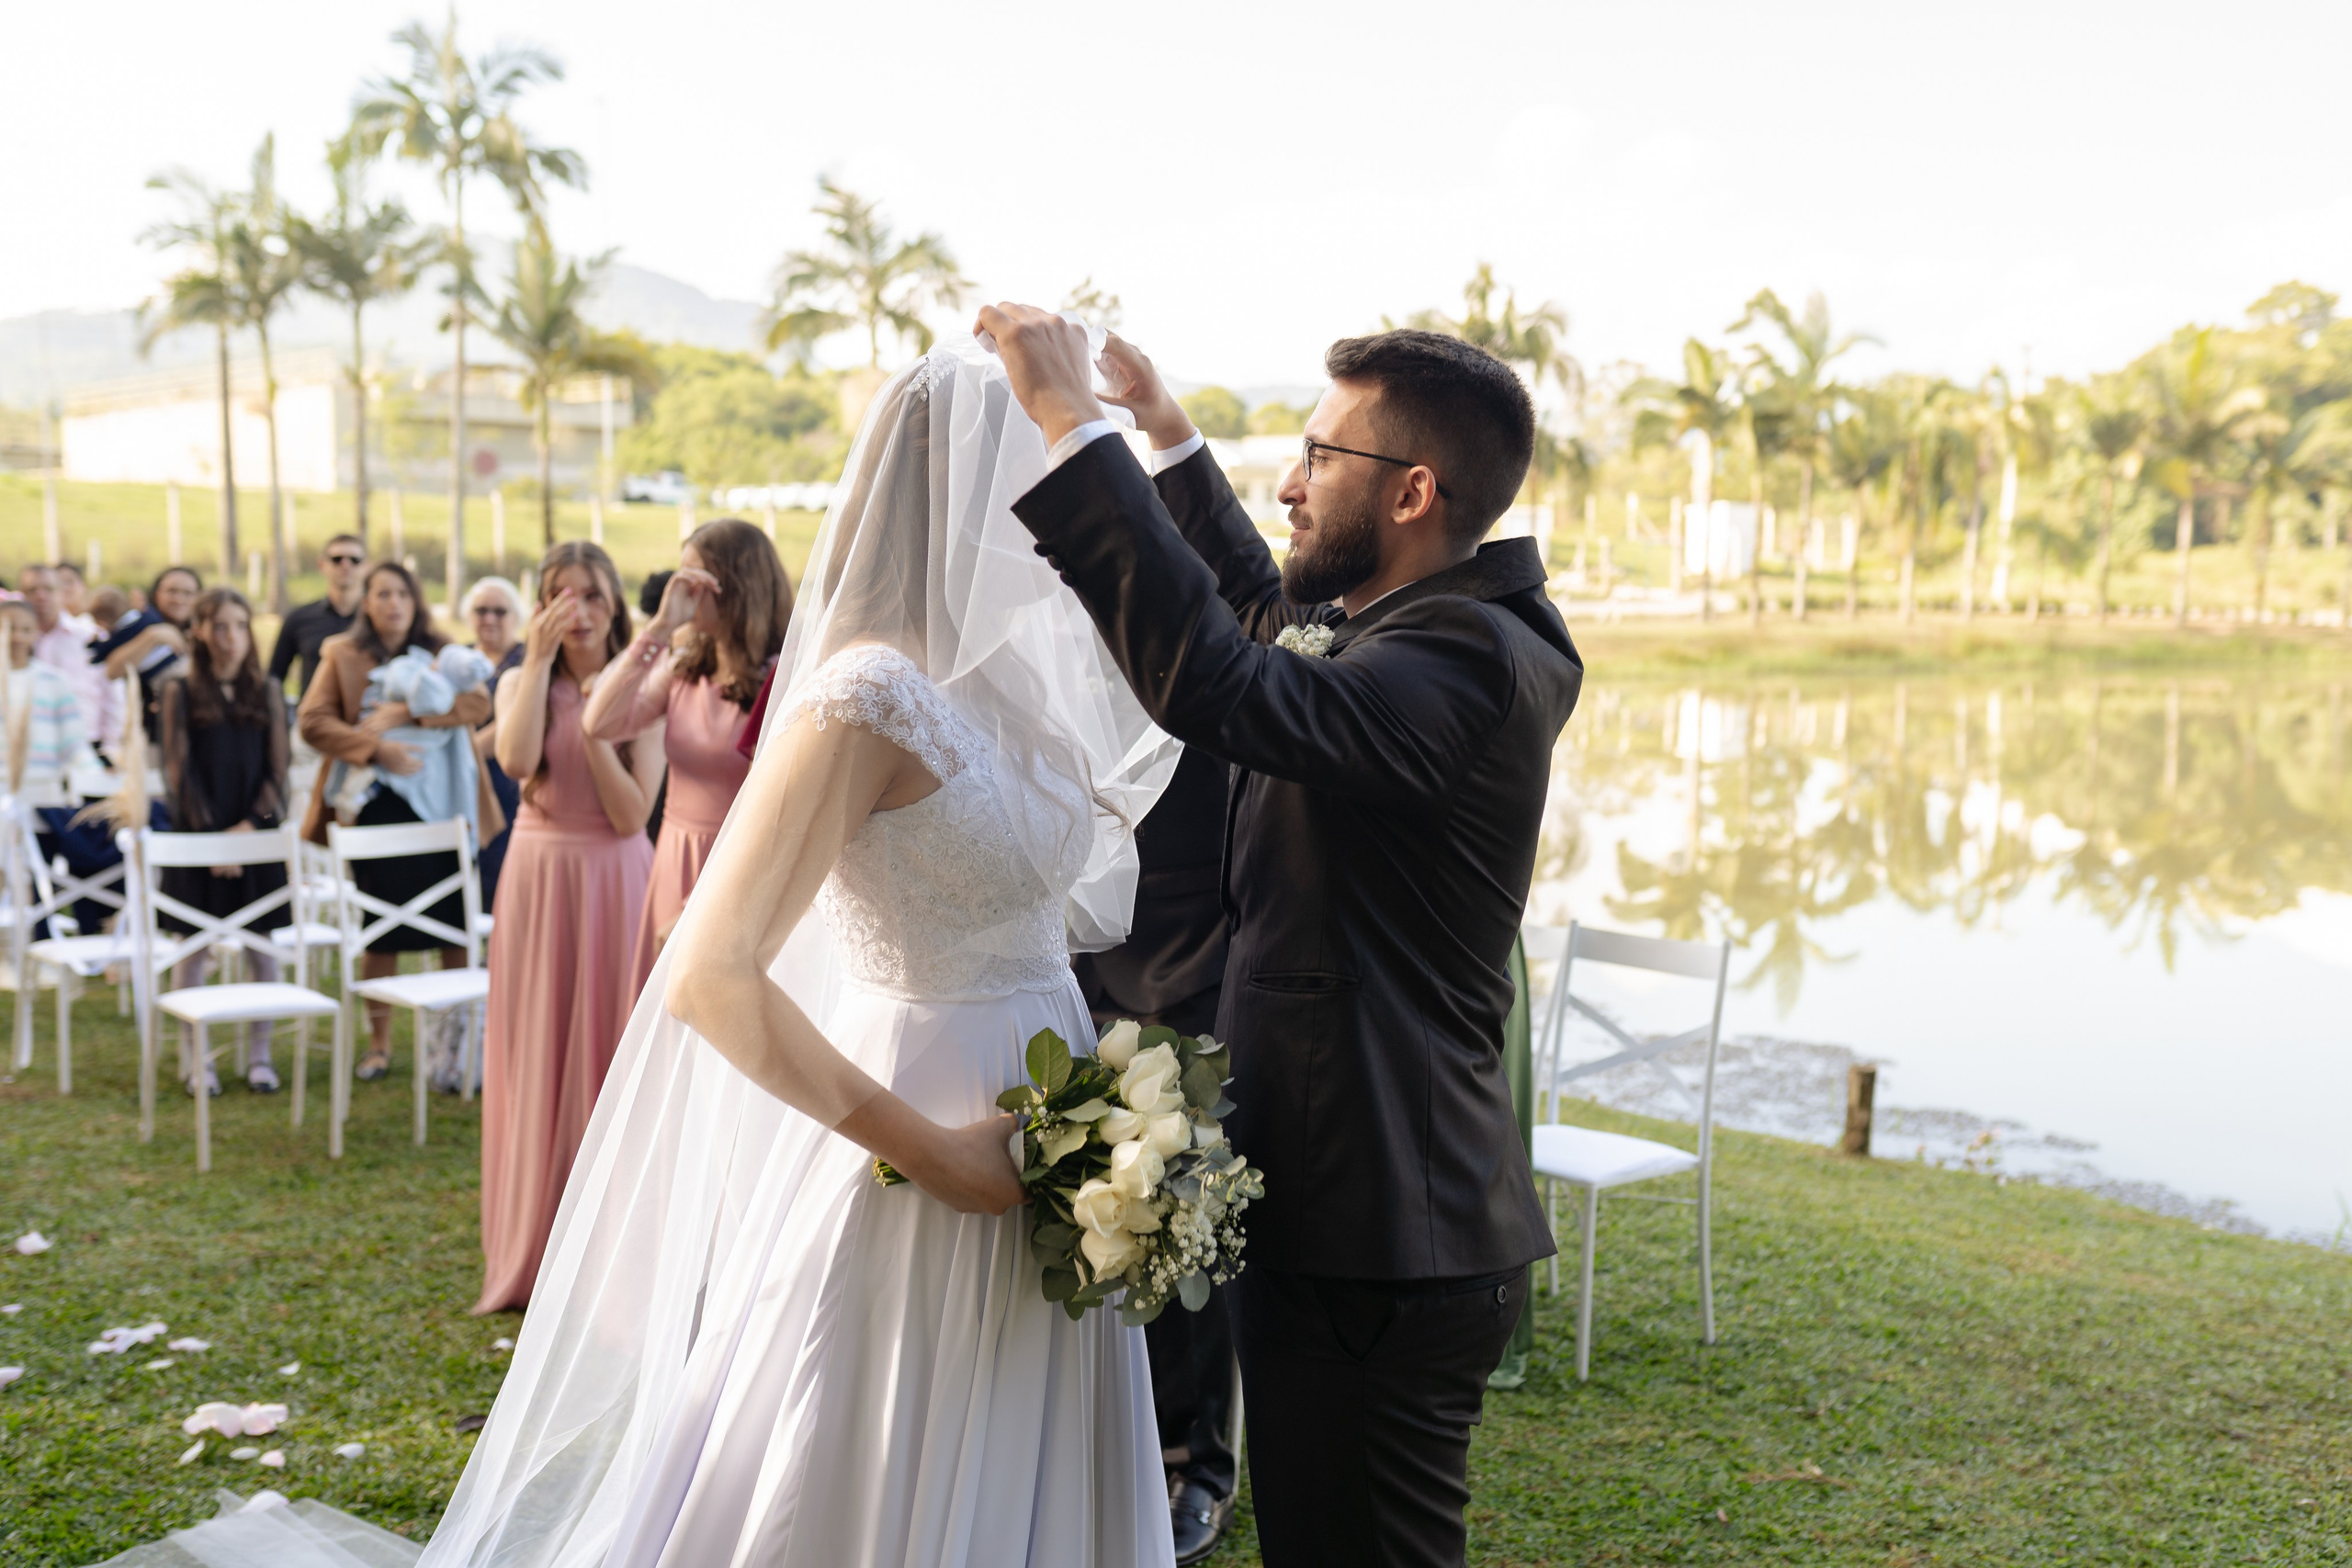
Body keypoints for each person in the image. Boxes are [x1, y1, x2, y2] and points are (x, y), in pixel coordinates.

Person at [418, 342, 1178, 1567]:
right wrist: (939, 1156)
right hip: (915, 1128)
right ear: (963, 494)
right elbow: (712, 975)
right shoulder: (863, 694)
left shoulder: (1025, 692)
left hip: (1055, 1112)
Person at [981, 307, 1582, 1568]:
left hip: (1386, 1234)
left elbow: (1225, 678)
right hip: (1348, 1213)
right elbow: (1266, 621)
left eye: (1320, 458)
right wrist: (1164, 438)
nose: (1290, 482)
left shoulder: (1465, 655)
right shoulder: (1404, 628)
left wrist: (1069, 426)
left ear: (1414, 490)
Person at [474, 541, 663, 1314]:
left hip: (615, 875)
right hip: (537, 875)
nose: (576, 611)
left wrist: (594, 723)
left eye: (589, 595)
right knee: (537, 1049)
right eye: (559, 595)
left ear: (613, 603)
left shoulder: (647, 687)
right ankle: (533, 1243)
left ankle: (608, 1246)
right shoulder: (522, 678)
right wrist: (538, 660)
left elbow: (629, 814)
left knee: (609, 1052)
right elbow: (516, 761)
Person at [1072, 740, 1238, 1563]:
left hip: (1190, 954)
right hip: (1064, 966)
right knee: (1085, 1217)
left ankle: (1198, 1464)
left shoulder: (1233, 616)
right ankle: (1108, 1441)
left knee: (1179, 1216)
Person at [299, 561, 501, 1082]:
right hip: (377, 806)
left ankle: (453, 1047)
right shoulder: (340, 654)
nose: (393, 604)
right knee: (381, 929)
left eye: (402, 595)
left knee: (451, 926)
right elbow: (313, 721)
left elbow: (478, 702)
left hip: (445, 805)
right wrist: (375, 748)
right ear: (366, 602)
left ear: (416, 602)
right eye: (382, 594)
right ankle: (380, 1045)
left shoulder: (442, 650)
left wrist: (410, 714)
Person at [583, 518, 790, 998]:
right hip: (673, 855)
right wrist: (658, 628)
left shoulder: (781, 678)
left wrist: (702, 903)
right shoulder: (684, 665)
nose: (684, 592)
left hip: (738, 869)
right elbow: (600, 722)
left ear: (737, 585)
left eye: (694, 581)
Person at [154, 588, 292, 1096]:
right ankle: (196, 1059)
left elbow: (278, 771)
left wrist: (249, 830)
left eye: (239, 626)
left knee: (262, 950)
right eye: (220, 627)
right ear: (202, 633)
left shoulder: (268, 690)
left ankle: (260, 1055)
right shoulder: (180, 691)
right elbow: (177, 771)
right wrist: (214, 842)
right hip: (198, 839)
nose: (230, 638)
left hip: (253, 838)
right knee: (193, 950)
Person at [461, 577, 526, 916]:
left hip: (509, 778)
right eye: (481, 611)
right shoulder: (457, 659)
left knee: (503, 870)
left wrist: (465, 747)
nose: (489, 619)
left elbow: (518, 719)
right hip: (464, 783)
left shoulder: (527, 659)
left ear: (516, 615)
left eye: (499, 611)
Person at [21, 564, 117, 758]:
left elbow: (112, 693)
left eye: (48, 589)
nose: (40, 596)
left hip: (86, 744)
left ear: (60, 592)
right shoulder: (11, 642)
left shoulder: (89, 636)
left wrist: (112, 747)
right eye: (32, 590)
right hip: (29, 746)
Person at [0, 597, 90, 799]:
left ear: (36, 633)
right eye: (8, 629)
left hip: (44, 789)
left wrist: (95, 773)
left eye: (26, 630)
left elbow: (73, 741)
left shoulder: (54, 680)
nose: (17, 637)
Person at [95, 565, 200, 735]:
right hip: (150, 727)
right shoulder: (140, 626)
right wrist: (152, 636)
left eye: (188, 593)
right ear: (157, 593)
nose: (179, 599)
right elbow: (113, 671)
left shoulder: (203, 632)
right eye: (172, 591)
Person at [268, 534, 368, 697]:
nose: (346, 565)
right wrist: (280, 721)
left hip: (366, 717)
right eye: (337, 559)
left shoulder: (379, 620)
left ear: (366, 567)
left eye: (355, 560)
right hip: (313, 716)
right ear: (322, 565)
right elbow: (274, 677)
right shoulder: (299, 618)